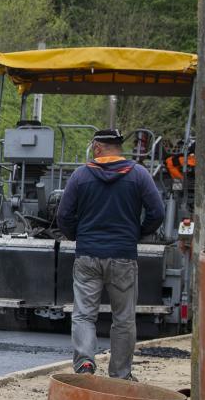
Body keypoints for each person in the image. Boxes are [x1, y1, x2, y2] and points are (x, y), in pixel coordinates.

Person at [56, 129, 165, 380]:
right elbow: (157, 212)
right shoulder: (138, 175)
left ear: (97, 148)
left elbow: (63, 215)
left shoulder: (81, 175)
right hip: (123, 256)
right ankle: (120, 374)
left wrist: (77, 236)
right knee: (124, 319)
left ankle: (85, 364)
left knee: (84, 313)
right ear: (118, 147)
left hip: (88, 256)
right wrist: (137, 233)